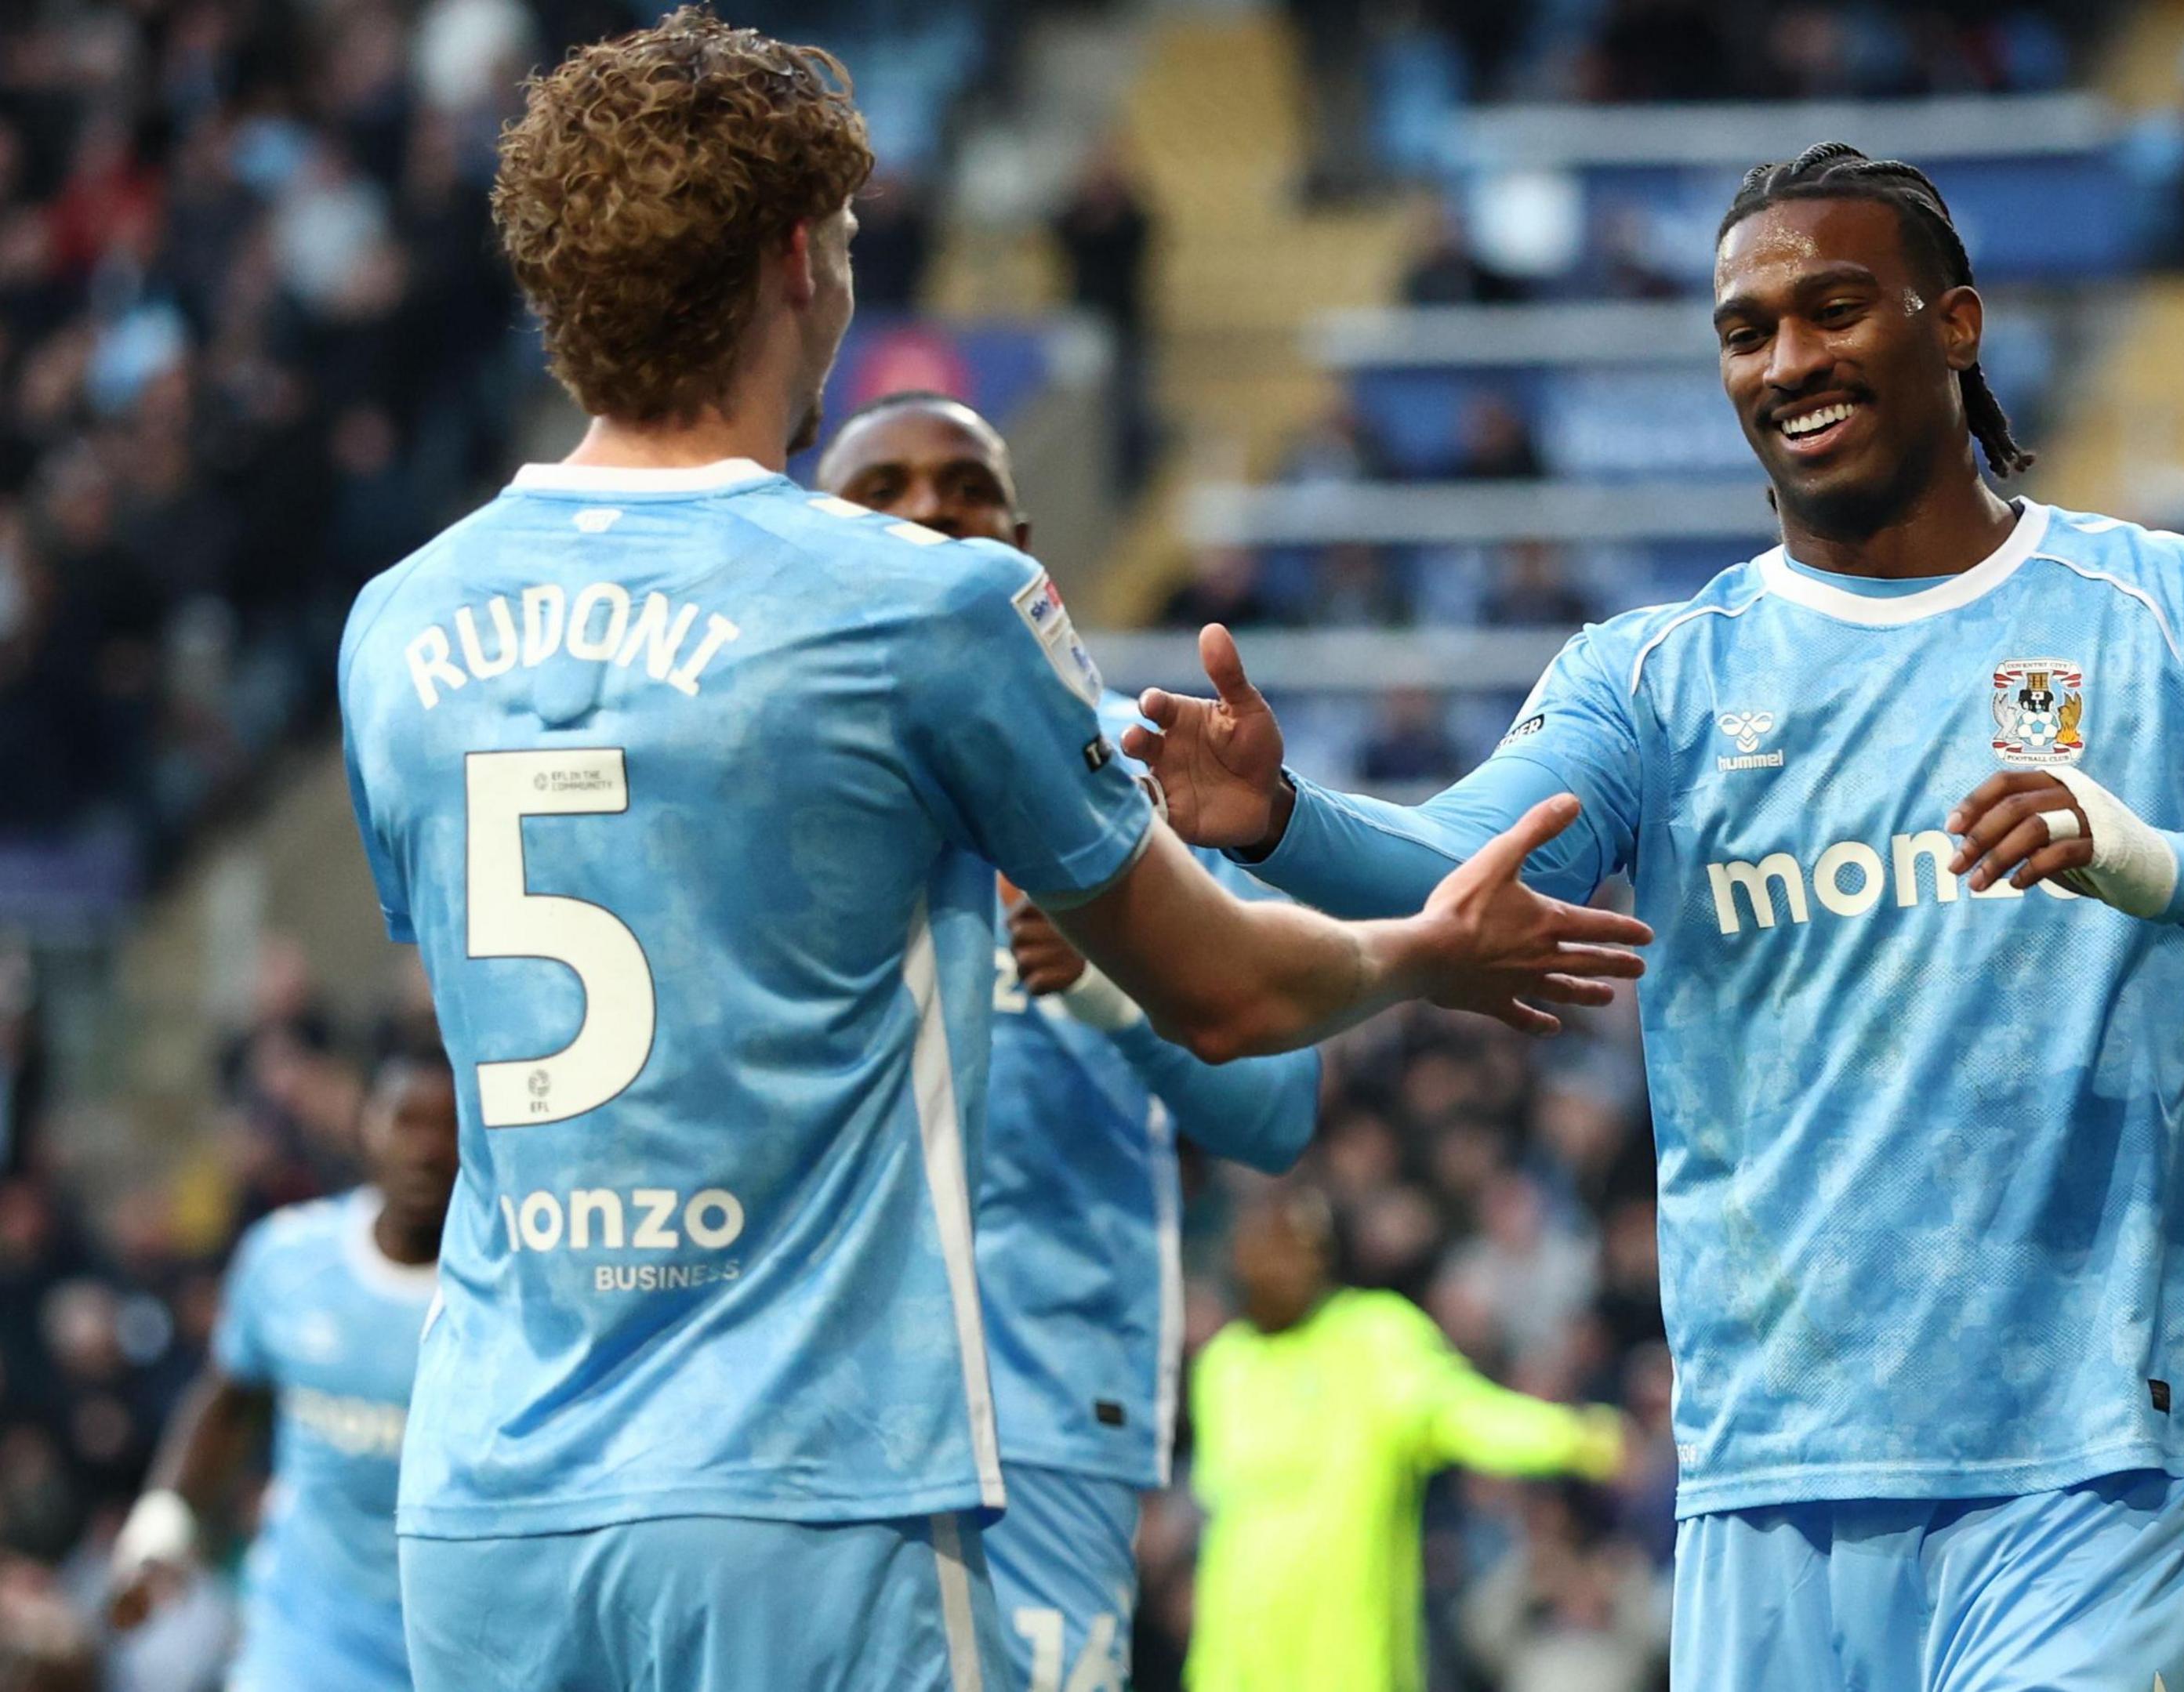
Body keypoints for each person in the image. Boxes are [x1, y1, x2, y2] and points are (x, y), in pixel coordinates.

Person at [335, 13, 1648, 1687]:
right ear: (797, 261)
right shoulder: (927, 609)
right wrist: (1423, 949)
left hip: (485, 1498)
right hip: (798, 1485)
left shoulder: (400, 624)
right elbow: (1233, 996)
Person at [1127, 141, 2184, 1687]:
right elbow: (1461, 872)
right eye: (1745, 329)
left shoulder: (2169, 612)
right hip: (1770, 1475)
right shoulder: (1655, 673)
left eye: (1835, 309)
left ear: (1957, 323)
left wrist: (2158, 862)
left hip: (2093, 1463)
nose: (1788, 360)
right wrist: (1284, 816)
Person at [815, 390, 1324, 1692]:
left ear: (1024, 537)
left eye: (964, 485)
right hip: (805, 1395)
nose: (930, 507)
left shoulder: (1142, 784)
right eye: (882, 489)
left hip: (1046, 1408)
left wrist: (1113, 985)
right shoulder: (768, 781)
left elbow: (1275, 1110)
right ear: (811, 534)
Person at [107, 1043, 459, 1692]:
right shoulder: (288, 1258)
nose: (428, 1147)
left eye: (452, 1123)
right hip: (304, 1641)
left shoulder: (506, 1291)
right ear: (365, 1127)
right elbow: (229, 1400)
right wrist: (160, 1531)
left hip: (457, 1650)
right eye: (406, 1120)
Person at [1185, 1187, 1625, 1692]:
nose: (1273, 1264)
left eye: (1292, 1248)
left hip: (1348, 1670)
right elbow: (1223, 1529)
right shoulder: (1224, 1366)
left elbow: (1469, 1416)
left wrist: (1579, 1438)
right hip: (1231, 1667)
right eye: (1259, 1248)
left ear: (1322, 1258)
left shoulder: (1373, 1337)